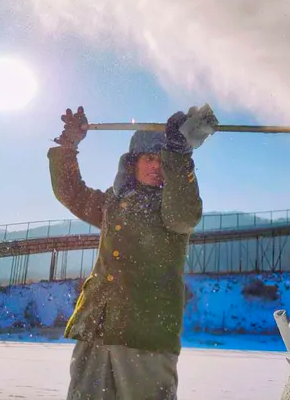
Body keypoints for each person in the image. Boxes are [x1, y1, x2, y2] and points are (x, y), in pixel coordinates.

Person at [48, 104, 219, 400]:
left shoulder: (174, 206)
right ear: (132, 162)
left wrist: (178, 155)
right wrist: (68, 145)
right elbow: (71, 192)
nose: (156, 166)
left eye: (162, 160)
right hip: (96, 329)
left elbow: (184, 216)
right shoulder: (113, 204)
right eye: (150, 158)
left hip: (145, 336)